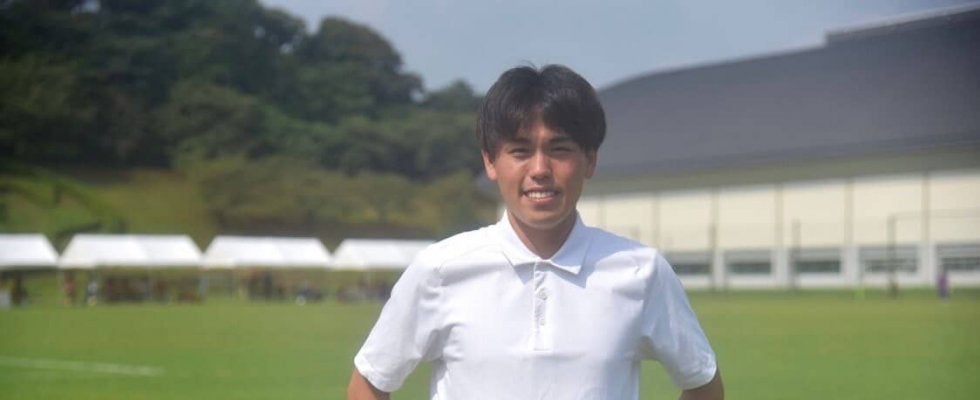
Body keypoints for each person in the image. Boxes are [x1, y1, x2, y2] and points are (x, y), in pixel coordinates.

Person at [347, 65, 724, 399]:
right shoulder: (440, 270)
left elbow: (703, 383)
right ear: (490, 161)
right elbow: (370, 383)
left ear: (590, 160)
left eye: (560, 149)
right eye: (520, 150)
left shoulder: (640, 271)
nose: (540, 169)